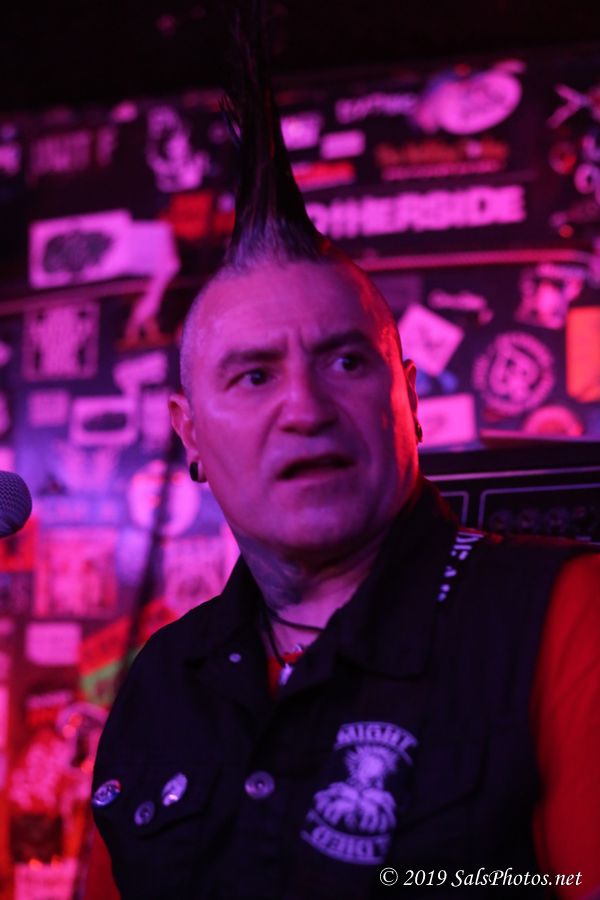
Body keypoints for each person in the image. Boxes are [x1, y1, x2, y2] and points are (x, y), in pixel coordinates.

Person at [91, 5, 600, 898]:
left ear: (408, 397)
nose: (305, 408)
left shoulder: (563, 618)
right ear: (190, 436)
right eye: (254, 376)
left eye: (345, 362)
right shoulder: (161, 682)